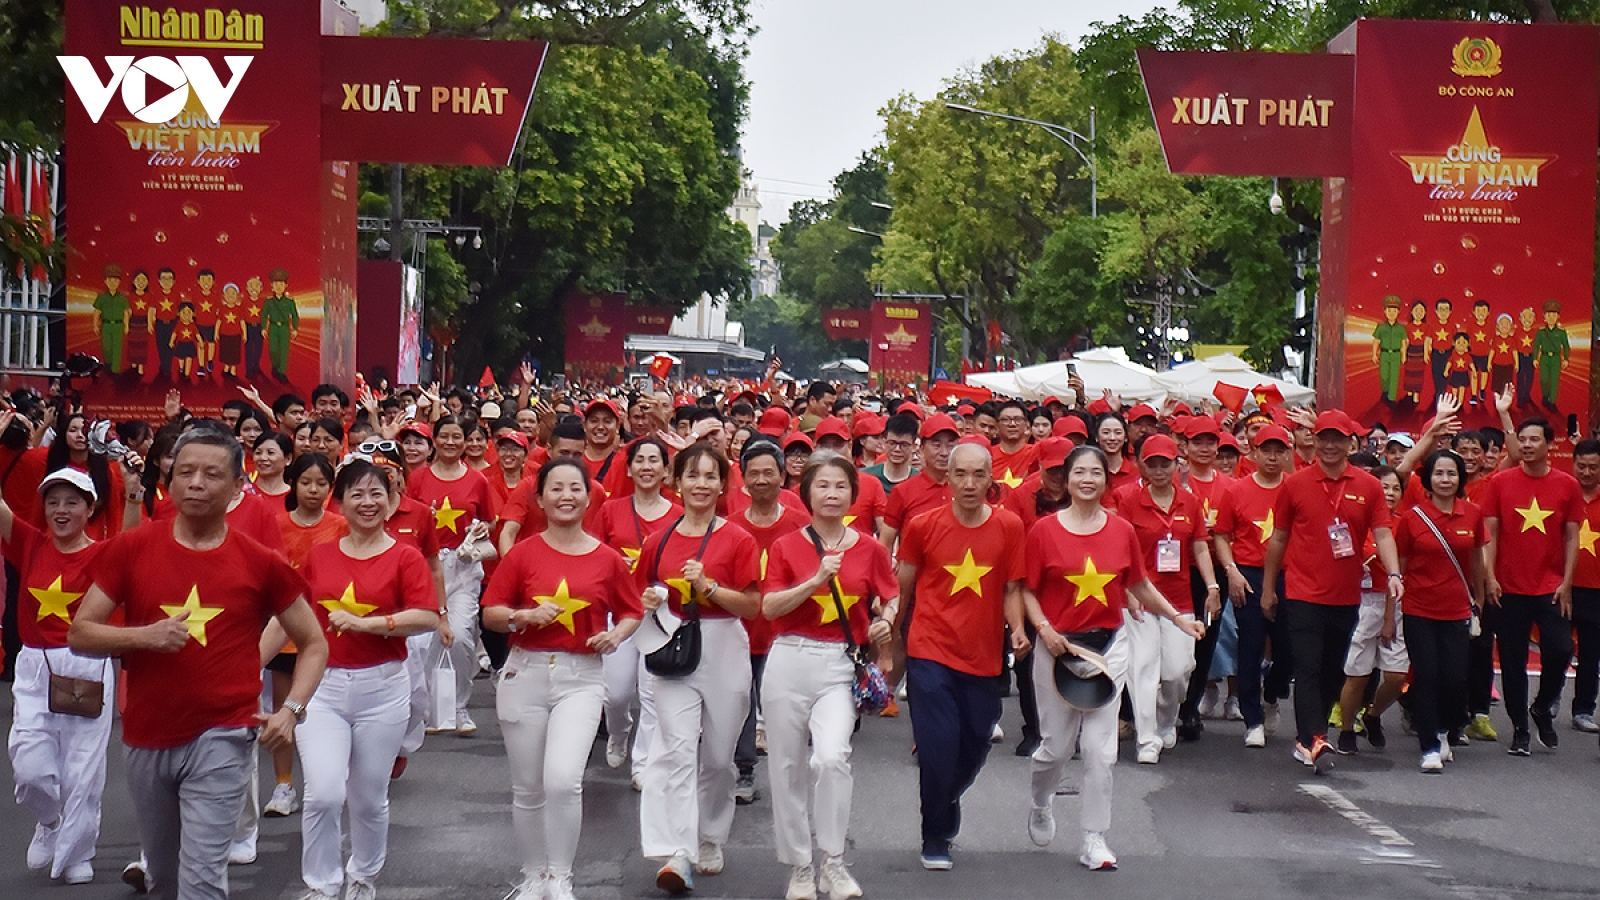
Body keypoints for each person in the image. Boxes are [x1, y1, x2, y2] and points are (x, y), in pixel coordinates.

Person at [68, 426, 328, 900]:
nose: (195, 483)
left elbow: (313, 642)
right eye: (185, 471)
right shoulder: (133, 547)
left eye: (211, 474)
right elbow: (81, 632)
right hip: (147, 735)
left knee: (203, 878)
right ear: (168, 478)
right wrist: (143, 636)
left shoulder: (259, 561)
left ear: (236, 488)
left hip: (224, 733)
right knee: (163, 878)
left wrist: (292, 710)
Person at [1023, 444, 1205, 871]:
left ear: (1108, 480)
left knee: (1100, 750)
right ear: (1065, 480)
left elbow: (1138, 584)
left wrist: (1178, 620)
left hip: (1109, 648)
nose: (1088, 479)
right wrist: (1044, 632)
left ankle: (1094, 838)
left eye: (1096, 473)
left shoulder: (1121, 530)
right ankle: (1041, 800)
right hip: (1058, 650)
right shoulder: (1044, 531)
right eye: (1079, 472)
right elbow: (1026, 590)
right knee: (1055, 748)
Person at [482, 458, 640, 900]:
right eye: (556, 489)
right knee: (528, 787)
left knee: (563, 780)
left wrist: (616, 634)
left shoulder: (607, 558)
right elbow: (491, 613)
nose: (566, 496)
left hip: (581, 677)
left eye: (575, 488)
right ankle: (534, 876)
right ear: (541, 498)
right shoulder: (522, 553)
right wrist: (523, 616)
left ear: (589, 498)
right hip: (525, 671)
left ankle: (561, 876)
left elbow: (631, 611)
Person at [282, 460, 439, 900]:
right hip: (323, 690)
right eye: (356, 494)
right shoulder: (319, 556)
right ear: (341, 502)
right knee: (324, 794)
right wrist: (245, 664)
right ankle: (321, 883)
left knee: (368, 799)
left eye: (377, 494)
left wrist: (370, 625)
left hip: (383, 688)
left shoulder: (405, 557)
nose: (367, 503)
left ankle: (364, 876)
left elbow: (426, 616)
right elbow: (290, 617)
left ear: (391, 503)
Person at [760, 452, 896, 900]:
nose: (832, 494)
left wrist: (886, 621)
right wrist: (814, 579)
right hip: (788, 659)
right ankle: (800, 864)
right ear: (807, 493)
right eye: (822, 486)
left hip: (839, 663)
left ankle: (833, 861)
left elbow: (889, 597)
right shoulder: (786, 546)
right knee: (786, 767)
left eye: (840, 486)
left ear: (853, 495)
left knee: (831, 758)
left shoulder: (869, 547)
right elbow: (770, 607)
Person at [894, 443, 1027, 870]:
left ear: (991, 479)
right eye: (961, 475)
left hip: (984, 658)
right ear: (947, 478)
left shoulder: (1009, 526)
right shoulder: (921, 525)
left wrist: (1019, 629)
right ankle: (935, 833)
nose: (969, 484)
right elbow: (903, 588)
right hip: (929, 650)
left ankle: (947, 798)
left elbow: (1011, 589)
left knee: (973, 746)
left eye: (978, 475)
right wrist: (887, 641)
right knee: (937, 746)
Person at [637, 445, 761, 895]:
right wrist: (651, 600)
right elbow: (641, 595)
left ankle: (710, 835)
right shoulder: (659, 540)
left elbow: (752, 604)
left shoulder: (738, 539)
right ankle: (676, 851)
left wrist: (709, 587)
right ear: (677, 482)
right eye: (693, 475)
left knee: (718, 758)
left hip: (724, 644)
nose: (701, 485)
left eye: (711, 476)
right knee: (675, 749)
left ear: (723, 485)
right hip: (673, 647)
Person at [1262, 411, 1401, 774]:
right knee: (1307, 667)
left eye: (1337, 439)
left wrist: (1395, 574)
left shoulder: (1369, 486)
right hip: (1303, 592)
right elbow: (1279, 538)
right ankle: (1315, 737)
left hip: (1346, 595)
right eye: (1322, 438)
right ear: (1313, 440)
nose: (1328, 445)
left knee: (1330, 671)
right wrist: (1268, 589)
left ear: (1349, 443)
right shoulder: (1295, 484)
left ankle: (1308, 737)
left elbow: (1384, 532)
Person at [4, 460, 111, 885]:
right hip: (35, 665)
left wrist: (139, 494)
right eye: (53, 502)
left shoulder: (104, 552)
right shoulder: (29, 543)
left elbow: (139, 540)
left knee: (82, 769)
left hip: (88, 663)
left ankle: (78, 851)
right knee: (30, 767)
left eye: (71, 502)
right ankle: (49, 822)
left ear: (90, 509)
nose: (61, 510)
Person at [1481, 416, 1582, 754]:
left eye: (1534, 439)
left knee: (1562, 649)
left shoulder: (1567, 485)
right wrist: (1490, 576)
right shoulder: (1500, 482)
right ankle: (1520, 728)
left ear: (1549, 445)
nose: (1526, 445)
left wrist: (1567, 582)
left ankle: (1542, 707)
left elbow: (1571, 537)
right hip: (1508, 587)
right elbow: (1490, 533)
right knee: (1512, 661)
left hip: (1550, 585)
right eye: (1522, 439)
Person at [1115, 434, 1218, 764]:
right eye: (1152, 463)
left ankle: (1165, 719)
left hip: (1179, 602)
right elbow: (1116, 549)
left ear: (1178, 465)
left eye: (1166, 463)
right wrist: (1127, 590)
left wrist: (1212, 586)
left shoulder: (1189, 502)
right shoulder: (1126, 499)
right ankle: (1147, 739)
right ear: (1141, 466)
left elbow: (1200, 545)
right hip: (1138, 600)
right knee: (1142, 668)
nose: (1159, 470)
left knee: (1177, 671)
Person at [729, 439, 811, 805]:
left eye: (769, 472)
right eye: (753, 473)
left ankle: (788, 776)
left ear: (783, 476)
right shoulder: (728, 526)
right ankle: (744, 770)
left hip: (785, 634)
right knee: (740, 706)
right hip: (738, 633)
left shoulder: (801, 525)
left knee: (784, 711)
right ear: (743, 479)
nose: (761, 480)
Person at [1394, 450, 1486, 772]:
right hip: (1419, 608)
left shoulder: (1473, 514)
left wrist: (1480, 604)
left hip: (1457, 609)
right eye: (1439, 474)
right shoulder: (1412, 518)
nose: (1445, 480)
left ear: (1460, 479)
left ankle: (1447, 730)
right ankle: (1430, 744)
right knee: (1427, 675)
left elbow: (1477, 565)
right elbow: (1402, 565)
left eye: (1451, 474)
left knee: (1456, 678)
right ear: (1428, 480)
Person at [266, 453, 346, 817]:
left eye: (321, 484)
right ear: (293, 484)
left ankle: (326, 778)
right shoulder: (275, 524)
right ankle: (284, 784)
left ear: (331, 488)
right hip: (282, 630)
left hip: (328, 631)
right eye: (305, 482)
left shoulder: (342, 525)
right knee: (284, 710)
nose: (313, 491)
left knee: (324, 709)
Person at [595, 438, 681, 780]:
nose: (646, 467)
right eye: (639, 460)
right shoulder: (610, 511)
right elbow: (596, 558)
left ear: (665, 469)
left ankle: (643, 764)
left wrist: (663, 592)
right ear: (629, 468)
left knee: (652, 693)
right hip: (619, 614)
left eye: (654, 460)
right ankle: (618, 733)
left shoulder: (678, 513)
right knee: (615, 694)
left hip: (660, 616)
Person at [405, 415, 497, 734]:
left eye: (457, 436)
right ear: (435, 440)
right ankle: (432, 708)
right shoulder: (417, 479)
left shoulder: (478, 480)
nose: (450, 442)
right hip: (426, 565)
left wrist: (485, 528)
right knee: (427, 639)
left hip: (464, 565)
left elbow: (490, 521)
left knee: (458, 636)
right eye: (444, 435)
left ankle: (458, 705)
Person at [1211, 424, 1295, 747]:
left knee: (1287, 651)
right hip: (1248, 575)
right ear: (1254, 452)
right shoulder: (1236, 490)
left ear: (1287, 453)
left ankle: (1272, 693)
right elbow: (1220, 534)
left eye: (1279, 451)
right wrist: (1231, 571)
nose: (1273, 458)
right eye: (1266, 451)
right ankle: (1252, 718)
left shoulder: (1294, 487)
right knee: (1250, 646)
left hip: (1290, 576)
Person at [1335, 466, 1409, 755]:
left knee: (1396, 676)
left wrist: (1389, 617)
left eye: (1395, 488)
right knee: (1357, 673)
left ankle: (1373, 714)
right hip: (1360, 604)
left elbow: (1399, 571)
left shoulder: (1405, 524)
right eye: (1383, 487)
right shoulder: (1353, 521)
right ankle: (1346, 728)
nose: (1389, 494)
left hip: (1393, 601)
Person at [1569, 439, 1600, 734]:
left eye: (1593, 467)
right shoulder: (1563, 494)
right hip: (1563, 586)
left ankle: (1583, 709)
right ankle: (1549, 699)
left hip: (1597, 590)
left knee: (1591, 653)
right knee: (1558, 648)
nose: (1587, 472)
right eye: (1582, 466)